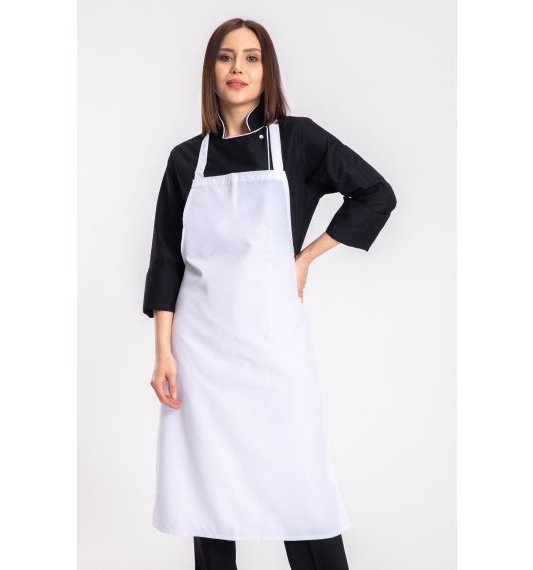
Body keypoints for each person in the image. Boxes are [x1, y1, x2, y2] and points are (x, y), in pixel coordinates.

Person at [143, 17, 396, 570]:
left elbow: (376, 193)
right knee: (208, 500)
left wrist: (306, 257)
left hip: (273, 350)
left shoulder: (298, 140)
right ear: (210, 69)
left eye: (251, 57)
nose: (238, 68)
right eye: (226, 56)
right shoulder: (186, 160)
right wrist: (163, 352)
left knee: (301, 494)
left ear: (267, 71)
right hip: (200, 354)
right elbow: (166, 259)